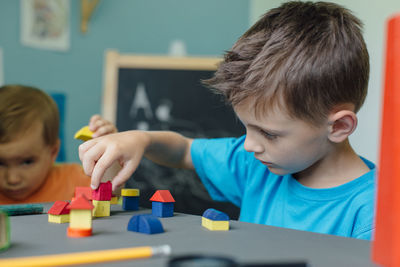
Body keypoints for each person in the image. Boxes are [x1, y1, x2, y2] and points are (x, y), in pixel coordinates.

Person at [79, 1, 374, 239]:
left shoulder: (373, 213)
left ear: (338, 126)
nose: (249, 145)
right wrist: (139, 139)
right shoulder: (256, 166)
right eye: (246, 127)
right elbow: (183, 150)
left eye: (269, 133)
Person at [0, 85, 117, 204]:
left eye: (27, 162)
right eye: (1, 163)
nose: (12, 179)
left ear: (53, 152)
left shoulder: (73, 180)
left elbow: (111, 193)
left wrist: (111, 154)